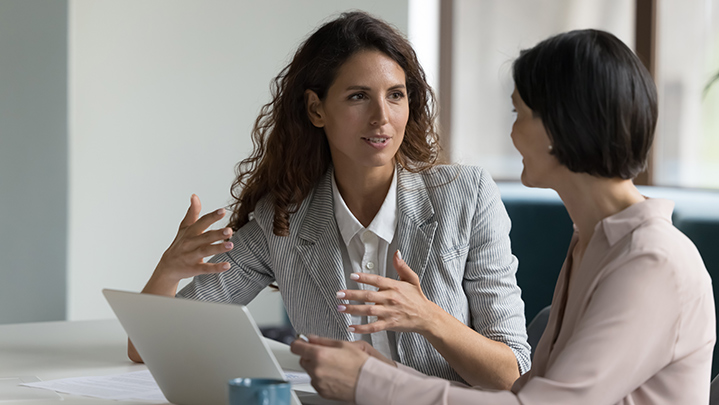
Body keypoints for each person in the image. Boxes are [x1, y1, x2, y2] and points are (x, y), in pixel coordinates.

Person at [290, 29, 716, 404]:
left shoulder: (651, 261)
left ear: (560, 128)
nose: (511, 133)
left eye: (519, 114)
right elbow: (527, 390)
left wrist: (370, 383)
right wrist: (380, 370)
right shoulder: (592, 242)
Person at [128, 10, 531, 389]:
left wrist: (430, 319)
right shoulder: (282, 221)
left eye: (395, 95)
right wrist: (169, 270)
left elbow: (514, 374)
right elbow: (146, 348)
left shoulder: (467, 195)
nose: (382, 117)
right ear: (316, 109)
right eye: (358, 96)